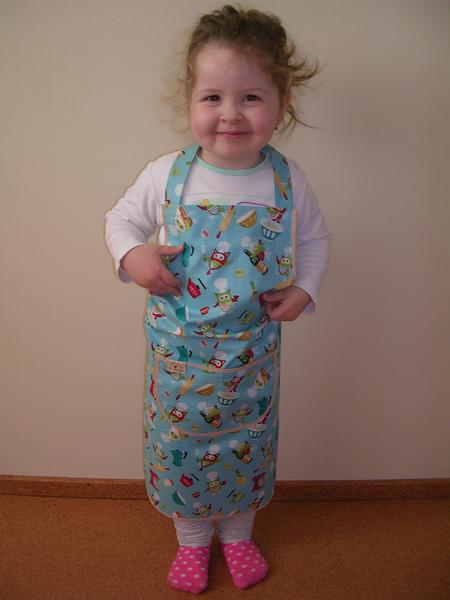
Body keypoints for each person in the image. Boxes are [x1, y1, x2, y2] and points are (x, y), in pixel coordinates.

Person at [105, 4, 331, 594]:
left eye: (250, 97)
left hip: (252, 355)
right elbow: (120, 220)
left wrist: (304, 288)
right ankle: (191, 541)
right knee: (183, 448)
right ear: (189, 100)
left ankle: (237, 535)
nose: (230, 113)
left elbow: (314, 239)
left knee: (246, 446)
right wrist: (133, 255)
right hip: (179, 359)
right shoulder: (167, 174)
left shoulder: (286, 180)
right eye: (212, 97)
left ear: (281, 103)